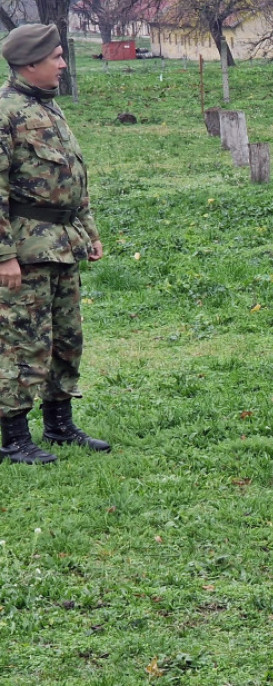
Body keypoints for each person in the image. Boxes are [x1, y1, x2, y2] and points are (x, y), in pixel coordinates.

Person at [0, 23, 109, 465]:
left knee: (66, 338)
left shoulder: (48, 109)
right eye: (57, 57)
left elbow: (70, 179)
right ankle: (12, 437)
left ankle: (59, 425)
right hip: (24, 250)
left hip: (62, 244)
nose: (64, 64)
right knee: (23, 341)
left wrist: (89, 230)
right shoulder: (6, 113)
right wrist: (3, 256)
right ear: (30, 64)